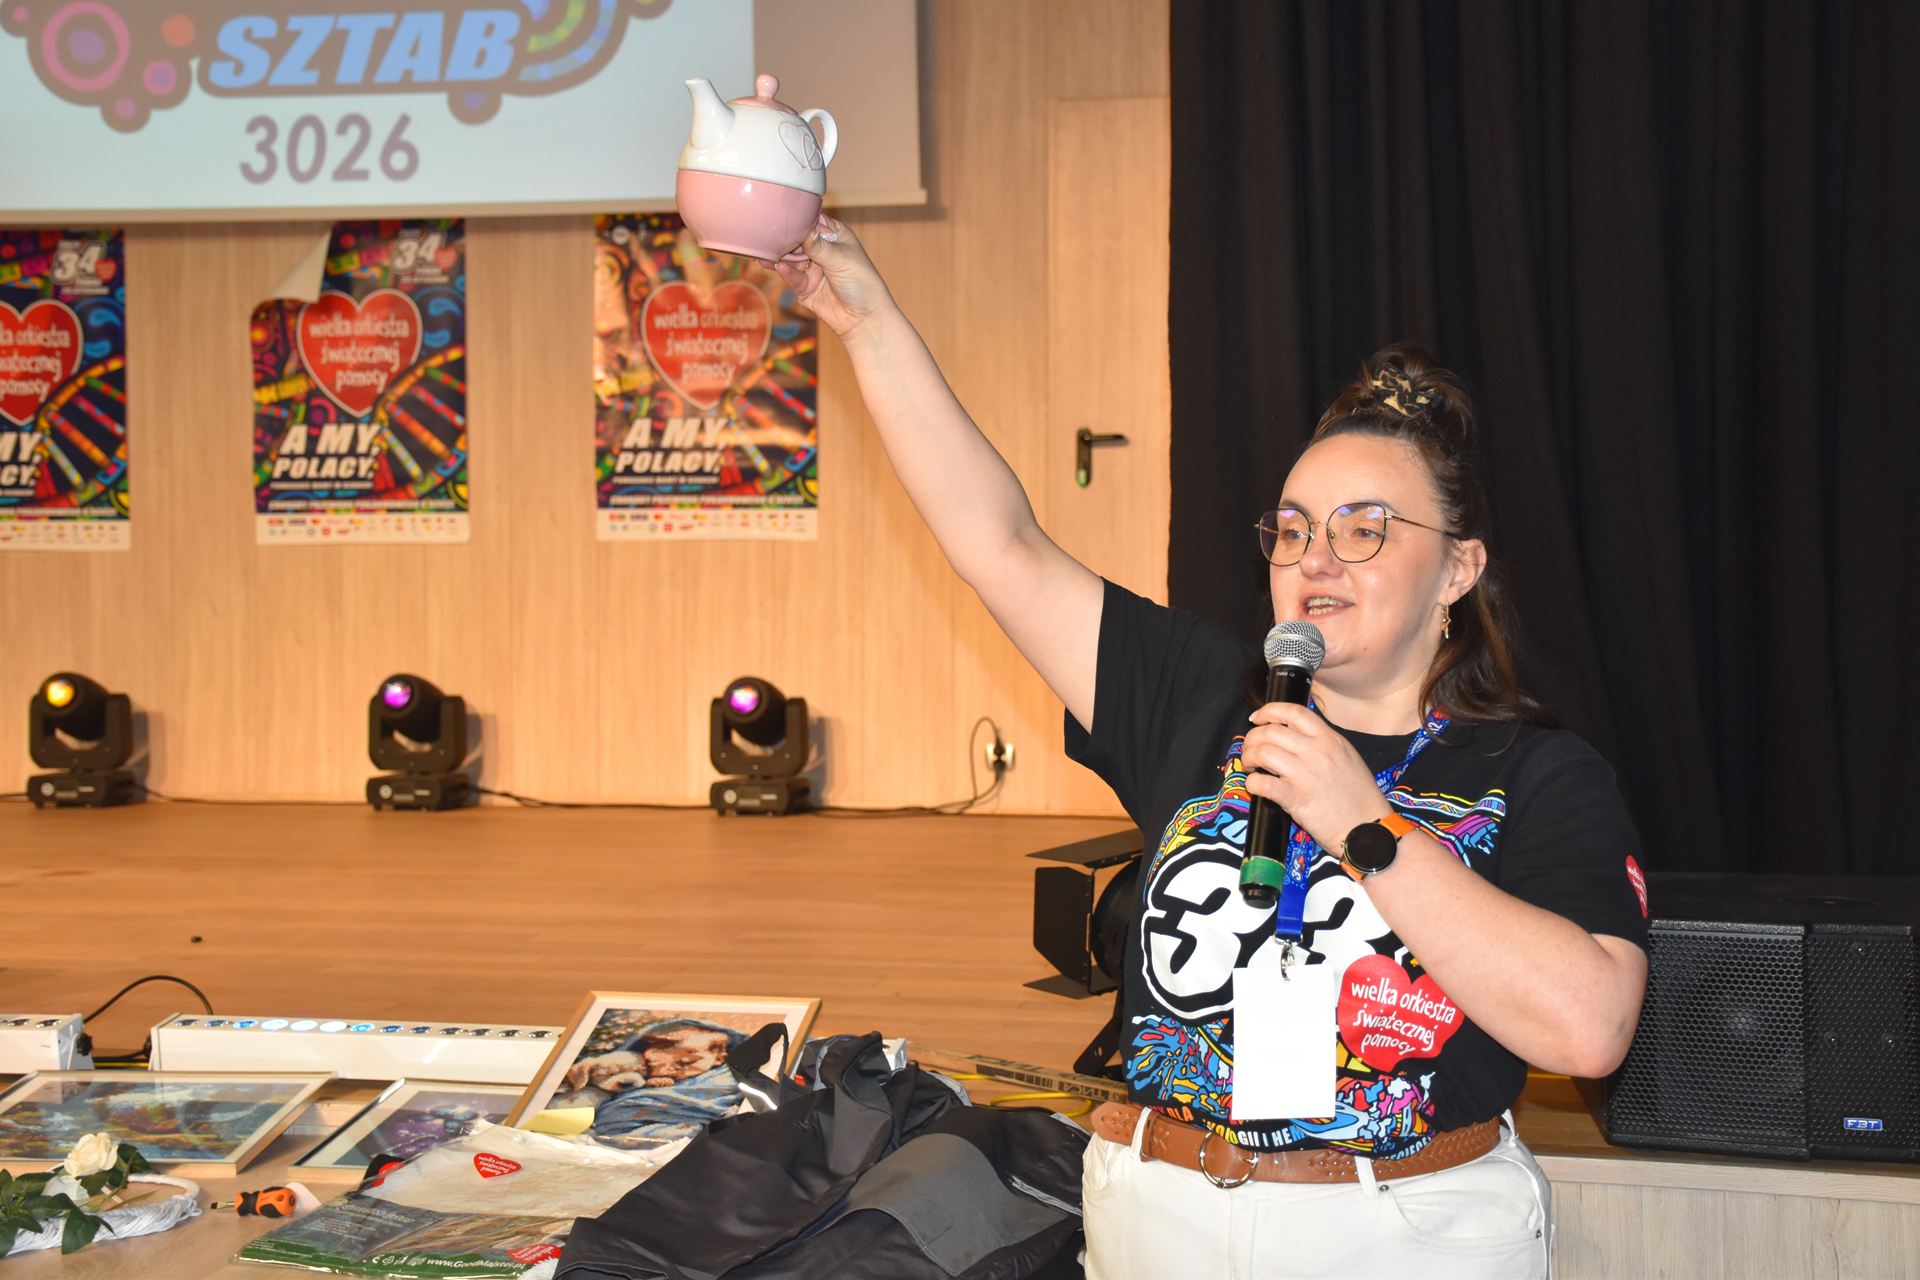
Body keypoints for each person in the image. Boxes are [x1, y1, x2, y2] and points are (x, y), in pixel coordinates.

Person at [777, 216, 1649, 1279]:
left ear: (1458, 570)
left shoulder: (1536, 773)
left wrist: (1364, 826)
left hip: (1399, 1231)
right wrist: (864, 319)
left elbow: (1588, 1028)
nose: (1316, 557)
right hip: (1164, 1218)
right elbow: (998, 542)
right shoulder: (1197, 698)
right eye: (1295, 528)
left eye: (1365, 529)